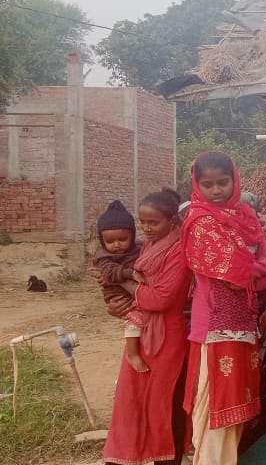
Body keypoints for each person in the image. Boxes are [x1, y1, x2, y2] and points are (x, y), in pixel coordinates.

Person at [181, 151, 266, 464]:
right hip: (214, 328)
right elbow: (241, 273)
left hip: (244, 326)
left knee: (237, 409)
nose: (216, 190)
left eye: (222, 182)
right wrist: (254, 270)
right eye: (207, 184)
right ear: (197, 185)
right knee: (215, 409)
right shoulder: (200, 222)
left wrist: (251, 271)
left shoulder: (246, 217)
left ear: (234, 180)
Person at [101, 189, 191, 465]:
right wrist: (128, 291)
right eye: (143, 222)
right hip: (143, 331)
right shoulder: (150, 246)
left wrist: (126, 283)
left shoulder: (178, 250)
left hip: (168, 336)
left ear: (172, 221)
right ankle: (130, 455)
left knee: (163, 402)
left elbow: (161, 300)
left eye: (153, 222)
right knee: (131, 401)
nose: (146, 228)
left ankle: (168, 459)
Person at [92, 200, 149, 373]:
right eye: (110, 241)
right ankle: (132, 353)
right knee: (135, 320)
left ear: (132, 235)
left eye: (122, 239)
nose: (116, 245)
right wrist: (129, 274)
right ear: (102, 240)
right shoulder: (103, 257)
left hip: (137, 294)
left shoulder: (140, 249)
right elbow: (109, 272)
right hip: (119, 296)